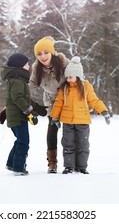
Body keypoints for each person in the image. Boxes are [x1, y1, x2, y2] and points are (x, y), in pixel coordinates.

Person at [50, 56, 111, 174]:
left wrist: (104, 111)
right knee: (68, 144)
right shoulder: (64, 88)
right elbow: (58, 103)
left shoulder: (86, 87)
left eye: (70, 77)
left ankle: (81, 166)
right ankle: (69, 166)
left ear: (77, 75)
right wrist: (55, 117)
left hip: (82, 122)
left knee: (83, 145)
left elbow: (94, 100)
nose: (68, 79)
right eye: (66, 77)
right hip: (67, 122)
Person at [29, 36, 70, 173]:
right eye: (39, 54)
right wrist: (20, 99)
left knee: (70, 129)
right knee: (52, 127)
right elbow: (31, 86)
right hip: (51, 101)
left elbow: (79, 81)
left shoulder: (65, 64)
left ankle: (71, 162)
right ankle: (52, 163)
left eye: (46, 52)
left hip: (67, 98)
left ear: (52, 52)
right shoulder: (37, 69)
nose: (43, 56)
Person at [0, 53, 41, 176]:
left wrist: (37, 107)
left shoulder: (18, 80)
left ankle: (12, 164)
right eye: (26, 64)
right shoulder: (17, 81)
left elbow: (24, 98)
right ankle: (18, 168)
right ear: (19, 67)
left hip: (17, 116)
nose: (29, 66)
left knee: (20, 140)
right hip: (18, 117)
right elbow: (18, 98)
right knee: (24, 141)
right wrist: (29, 112)